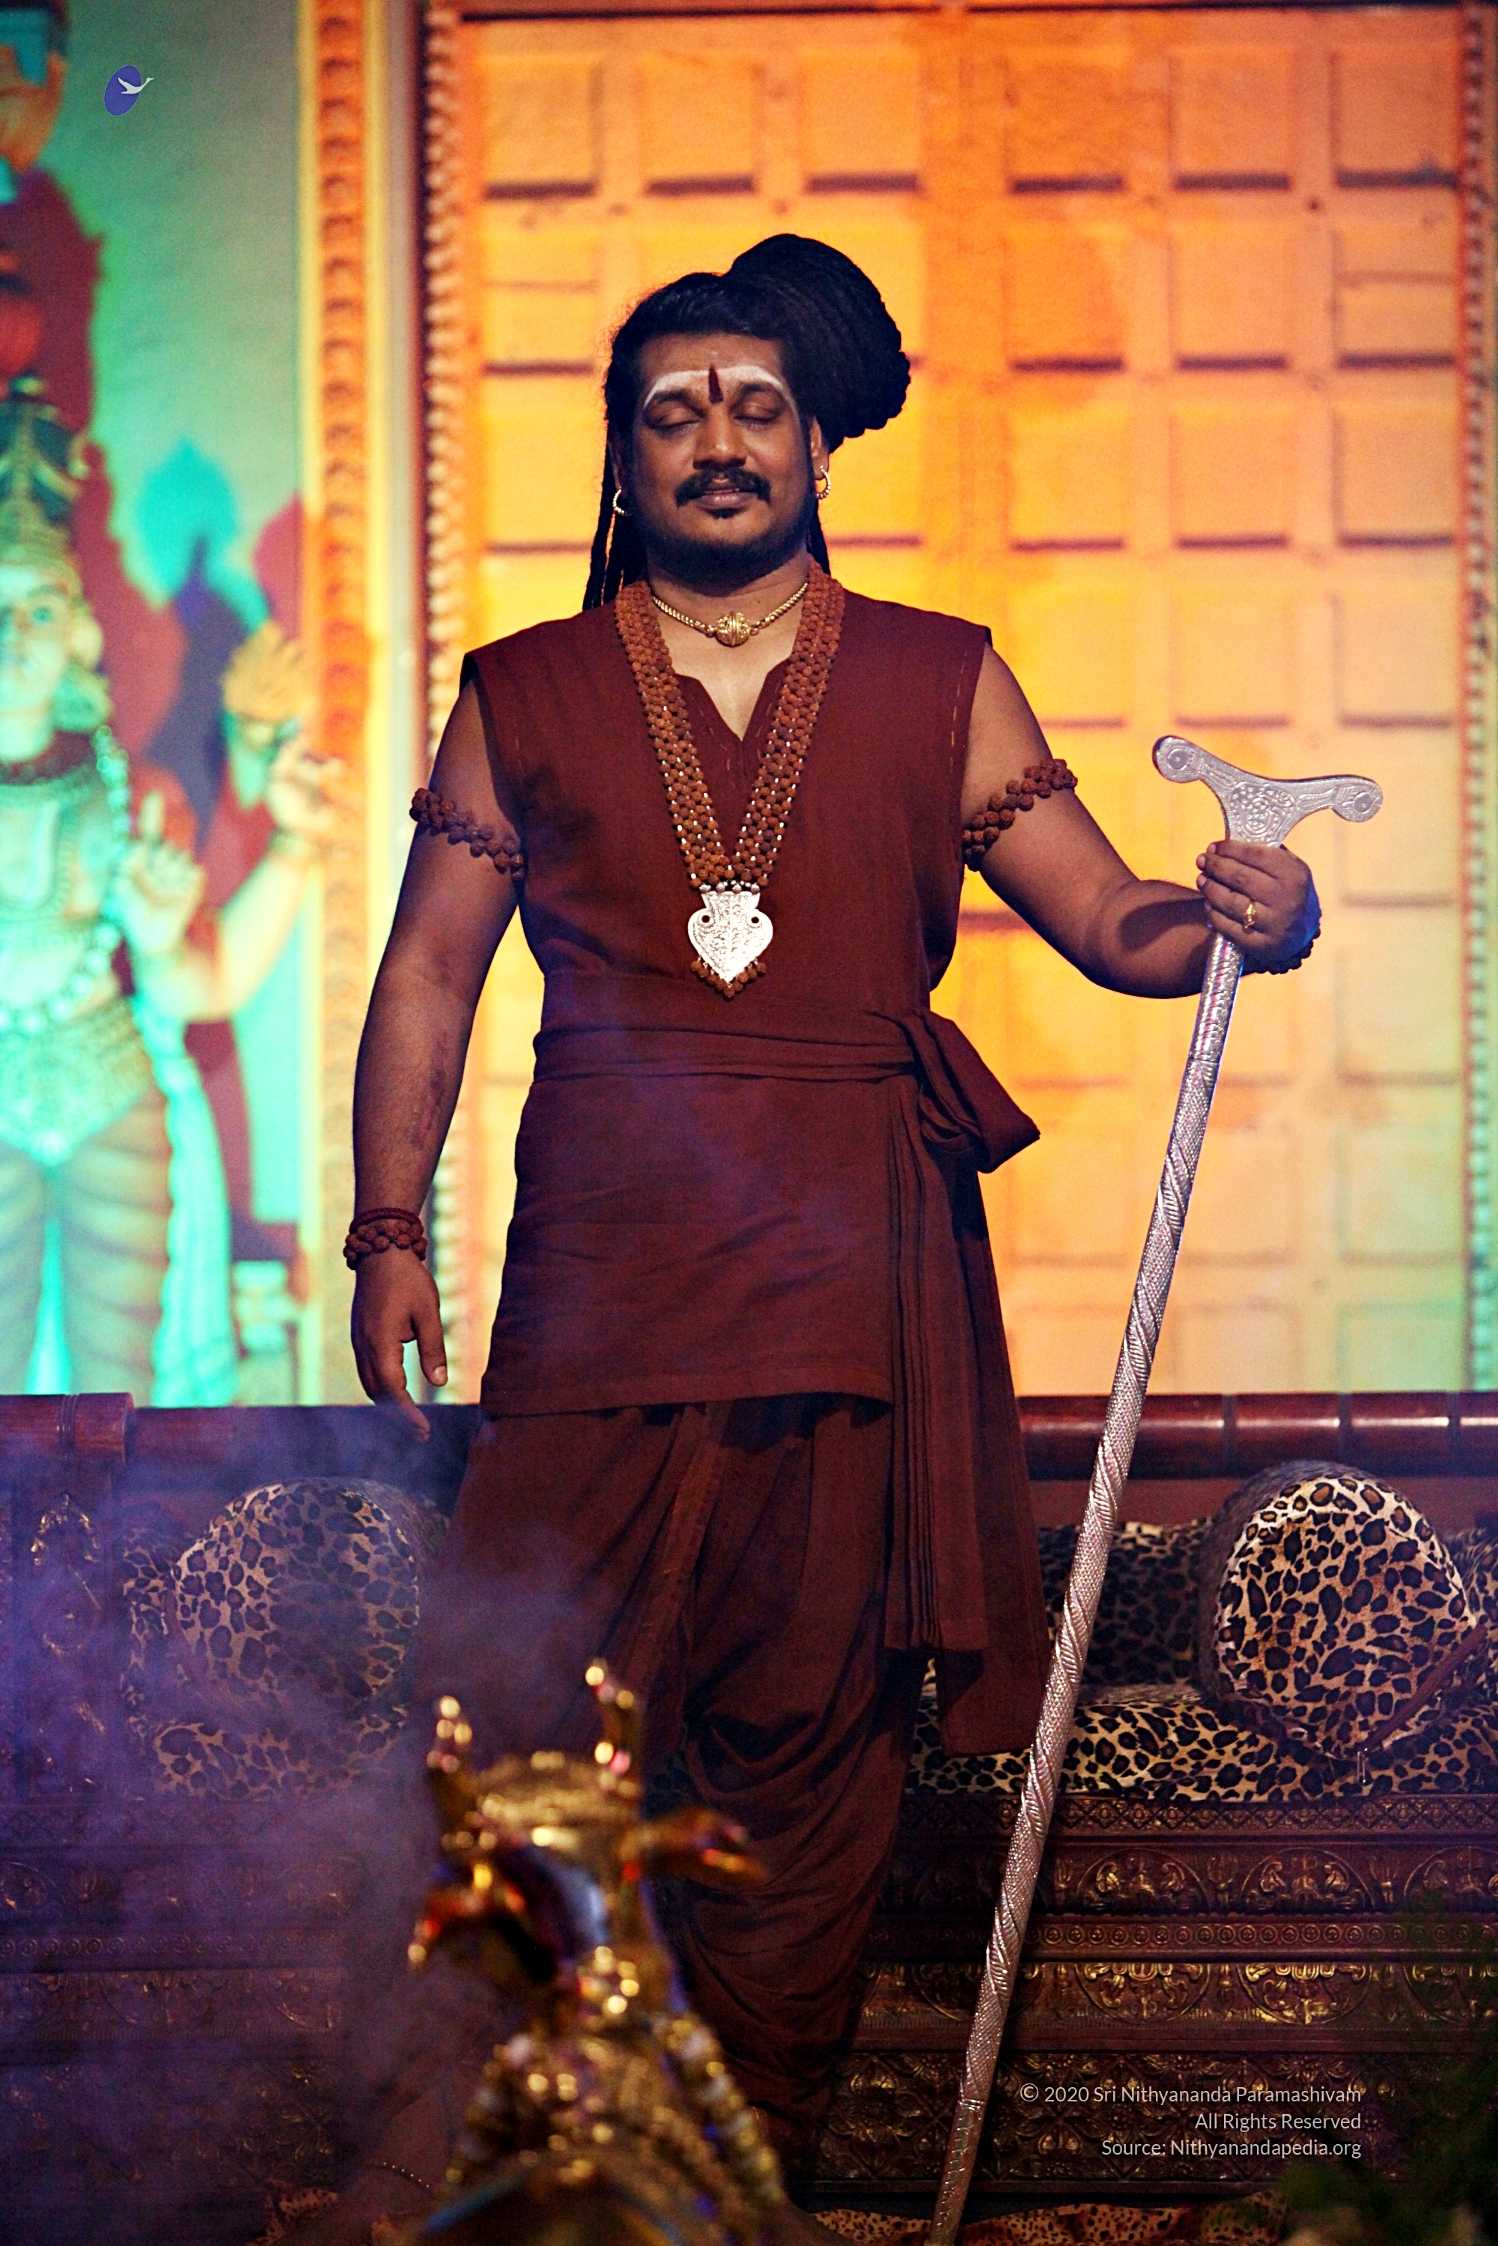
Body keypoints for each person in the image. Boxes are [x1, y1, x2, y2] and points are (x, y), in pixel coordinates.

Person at [339, 234, 1317, 2237]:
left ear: (808, 443)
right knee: (517, 1732)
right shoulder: (522, 692)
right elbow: (428, 973)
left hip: (852, 1283)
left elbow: (1111, 919)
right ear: (623, 455)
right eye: (674, 411)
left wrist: (1242, 914)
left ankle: (735, 2195)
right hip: (603, 1279)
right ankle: (505, 2185)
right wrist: (384, 1231)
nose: (717, 442)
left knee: (803, 1757)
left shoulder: (936, 675)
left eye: (754, 408)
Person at [0, 369, 336, 1401]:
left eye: (38, 607)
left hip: (113, 1100)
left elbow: (200, 986)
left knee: (119, 1405)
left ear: (77, 631)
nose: (13, 636)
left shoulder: (127, 792)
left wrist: (290, 849)